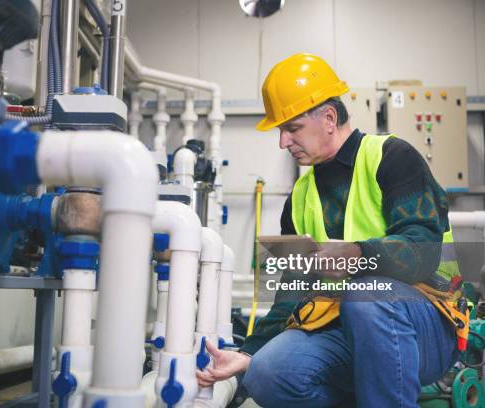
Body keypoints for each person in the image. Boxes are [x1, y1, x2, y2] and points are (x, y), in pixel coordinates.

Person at [196, 53, 468, 407]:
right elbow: (292, 290)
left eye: (291, 128)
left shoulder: (392, 157)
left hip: (427, 327)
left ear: (328, 118)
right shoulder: (300, 197)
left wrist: (359, 253)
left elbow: (423, 249)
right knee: (268, 373)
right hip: (349, 329)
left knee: (366, 295)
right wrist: (249, 354)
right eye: (281, 130)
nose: (283, 142)